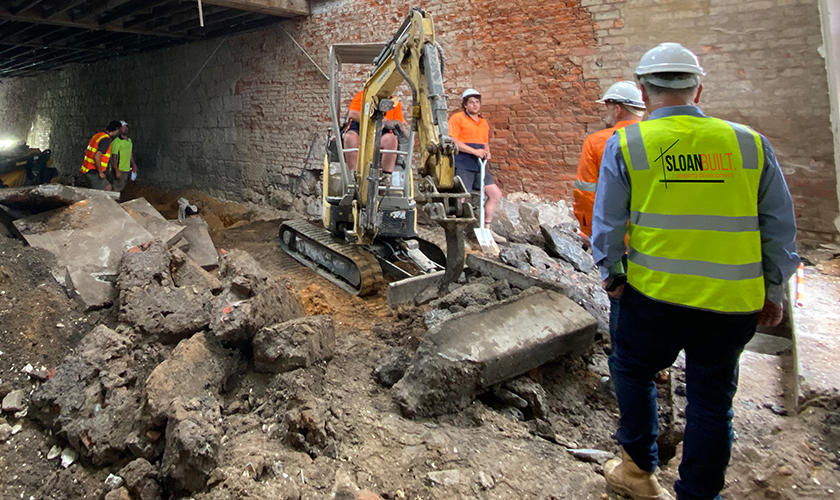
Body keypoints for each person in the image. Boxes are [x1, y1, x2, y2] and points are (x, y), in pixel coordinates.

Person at [591, 42, 799, 500]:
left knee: (633, 370)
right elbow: (780, 229)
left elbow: (607, 225)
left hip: (653, 296)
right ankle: (700, 494)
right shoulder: (748, 142)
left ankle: (638, 471)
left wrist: (612, 274)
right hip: (733, 303)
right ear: (698, 89)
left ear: (643, 93)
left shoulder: (627, 143)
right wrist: (775, 291)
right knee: (711, 402)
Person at [573, 81, 645, 240]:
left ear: (617, 109)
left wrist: (588, 228)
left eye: (607, 107)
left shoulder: (597, 142)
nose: (605, 113)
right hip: (650, 237)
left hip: (613, 236)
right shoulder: (657, 138)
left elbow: (586, 192)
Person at [448, 88, 503, 226]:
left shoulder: (483, 122)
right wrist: (474, 151)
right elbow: (453, 141)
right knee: (462, 196)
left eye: (477, 102)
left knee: (495, 194)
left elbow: (484, 142)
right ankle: (456, 227)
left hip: (479, 164)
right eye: (471, 102)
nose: (474, 105)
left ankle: (486, 227)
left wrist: (487, 152)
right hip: (463, 161)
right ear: (465, 105)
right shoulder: (457, 118)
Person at [342, 89, 404, 184]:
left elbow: (398, 122)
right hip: (359, 130)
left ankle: (385, 177)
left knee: (391, 140)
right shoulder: (362, 96)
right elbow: (353, 113)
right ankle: (354, 176)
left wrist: (389, 123)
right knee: (350, 138)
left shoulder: (394, 102)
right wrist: (373, 120)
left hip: (381, 133)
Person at [80, 120, 121, 190]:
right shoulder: (106, 139)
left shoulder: (98, 135)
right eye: (118, 131)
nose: (118, 133)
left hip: (87, 169)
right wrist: (100, 172)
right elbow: (97, 156)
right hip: (93, 171)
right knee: (107, 188)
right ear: (116, 129)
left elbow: (86, 151)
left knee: (97, 190)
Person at [108, 120, 138, 192]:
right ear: (119, 130)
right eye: (122, 127)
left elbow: (130, 153)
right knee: (116, 189)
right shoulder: (116, 142)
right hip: (119, 169)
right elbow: (114, 157)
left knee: (122, 188)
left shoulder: (129, 141)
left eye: (126, 127)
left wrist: (133, 165)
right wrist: (116, 170)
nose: (125, 129)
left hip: (126, 169)